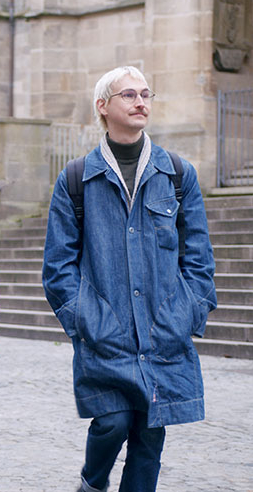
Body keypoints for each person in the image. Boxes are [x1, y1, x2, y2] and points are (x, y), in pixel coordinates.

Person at [42, 66, 217, 492]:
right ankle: (93, 483)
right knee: (113, 422)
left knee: (150, 435)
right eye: (128, 95)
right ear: (102, 107)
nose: (141, 102)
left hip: (164, 332)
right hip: (106, 333)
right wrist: (87, 320)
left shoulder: (177, 174)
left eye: (145, 94)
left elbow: (198, 256)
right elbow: (57, 267)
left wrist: (188, 311)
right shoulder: (76, 179)